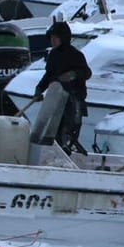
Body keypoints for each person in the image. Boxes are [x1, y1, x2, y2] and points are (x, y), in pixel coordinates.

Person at [34, 22, 91, 153]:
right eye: (51, 38)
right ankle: (53, 151)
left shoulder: (76, 55)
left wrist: (73, 74)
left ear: (63, 38)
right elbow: (49, 75)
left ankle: (67, 150)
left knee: (68, 131)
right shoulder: (53, 55)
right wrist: (39, 89)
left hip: (73, 100)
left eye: (56, 38)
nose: (52, 41)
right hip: (56, 100)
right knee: (53, 132)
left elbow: (87, 73)